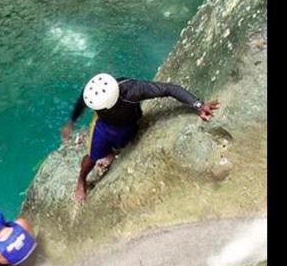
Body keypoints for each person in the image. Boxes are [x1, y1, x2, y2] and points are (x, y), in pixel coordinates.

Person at [60, 73, 221, 202]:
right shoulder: (94, 92)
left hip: (129, 122)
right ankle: (81, 179)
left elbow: (169, 89)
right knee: (93, 156)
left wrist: (198, 105)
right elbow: (81, 103)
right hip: (104, 127)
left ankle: (110, 152)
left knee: (121, 144)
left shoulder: (132, 89)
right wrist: (71, 123)